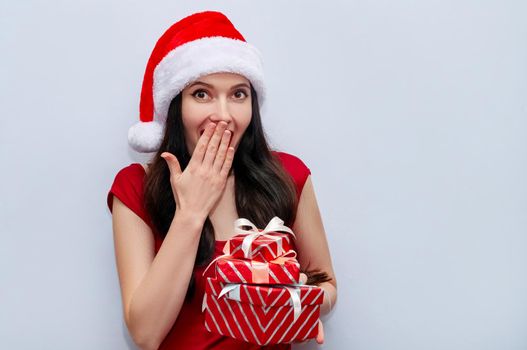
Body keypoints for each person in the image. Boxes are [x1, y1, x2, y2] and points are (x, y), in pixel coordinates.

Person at [107, 10, 337, 350]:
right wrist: (191, 213)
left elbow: (326, 283)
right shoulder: (134, 187)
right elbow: (145, 333)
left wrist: (299, 300)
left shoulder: (289, 175)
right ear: (175, 107)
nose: (224, 115)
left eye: (238, 94)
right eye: (202, 94)